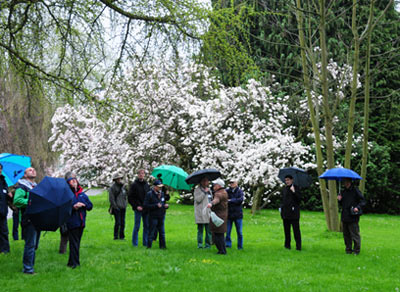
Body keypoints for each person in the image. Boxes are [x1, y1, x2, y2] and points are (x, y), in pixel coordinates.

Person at [13, 167, 39, 274]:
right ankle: (28, 269)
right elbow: (17, 200)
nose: (33, 171)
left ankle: (30, 266)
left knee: (34, 245)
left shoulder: (36, 187)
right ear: (25, 175)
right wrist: (30, 201)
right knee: (30, 244)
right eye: (30, 170)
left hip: (38, 219)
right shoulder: (22, 187)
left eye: (34, 169)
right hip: (28, 219)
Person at [66, 175, 93, 268]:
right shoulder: (67, 195)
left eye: (75, 180)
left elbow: (90, 206)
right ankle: (75, 263)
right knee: (74, 243)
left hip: (81, 222)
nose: (74, 182)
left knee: (77, 242)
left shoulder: (82, 194)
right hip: (72, 222)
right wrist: (74, 207)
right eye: (71, 181)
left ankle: (71, 262)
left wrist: (83, 205)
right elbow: (65, 208)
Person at [337, 178, 366, 255]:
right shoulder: (343, 192)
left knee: (355, 234)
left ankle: (356, 250)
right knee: (346, 235)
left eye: (346, 182)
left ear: (349, 182)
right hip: (344, 215)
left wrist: (358, 207)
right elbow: (342, 204)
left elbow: (363, 201)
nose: (344, 183)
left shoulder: (355, 190)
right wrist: (339, 200)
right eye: (343, 182)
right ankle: (348, 250)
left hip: (353, 216)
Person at [128, 169, 150, 247]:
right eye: (140, 173)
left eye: (143, 173)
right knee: (137, 226)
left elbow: (149, 196)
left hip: (146, 208)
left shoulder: (146, 184)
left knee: (146, 226)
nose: (141, 175)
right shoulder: (134, 185)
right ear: (137, 175)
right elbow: (130, 197)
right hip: (138, 208)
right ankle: (135, 243)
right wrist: (136, 206)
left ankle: (145, 242)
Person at [144, 179, 169, 249]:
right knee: (151, 232)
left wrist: (165, 206)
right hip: (153, 216)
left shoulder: (162, 194)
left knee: (162, 232)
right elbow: (146, 205)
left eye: (161, 186)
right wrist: (155, 205)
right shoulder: (149, 194)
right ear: (155, 187)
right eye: (159, 186)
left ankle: (163, 247)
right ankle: (149, 246)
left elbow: (162, 203)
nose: (160, 188)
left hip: (161, 215)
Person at [280, 175, 302, 251]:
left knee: (296, 231)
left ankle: (298, 246)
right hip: (285, 213)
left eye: (288, 180)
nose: (287, 181)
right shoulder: (284, 189)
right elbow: (282, 200)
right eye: (286, 180)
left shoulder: (296, 188)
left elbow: (299, 200)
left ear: (292, 180)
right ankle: (287, 245)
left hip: (294, 214)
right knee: (286, 230)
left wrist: (294, 192)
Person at [207, 178, 228, 255]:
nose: (213, 186)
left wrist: (211, 203)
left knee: (218, 234)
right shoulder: (224, 192)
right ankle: (222, 250)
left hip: (218, 216)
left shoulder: (219, 194)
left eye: (215, 185)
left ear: (218, 186)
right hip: (223, 215)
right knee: (220, 234)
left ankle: (221, 251)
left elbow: (217, 199)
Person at [194, 177, 212, 249]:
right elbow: (198, 199)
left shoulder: (209, 190)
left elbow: (211, 199)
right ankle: (200, 245)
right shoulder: (197, 190)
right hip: (200, 212)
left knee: (208, 230)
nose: (205, 183)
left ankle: (208, 244)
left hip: (208, 212)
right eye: (204, 181)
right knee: (200, 230)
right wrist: (204, 192)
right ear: (201, 182)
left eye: (207, 181)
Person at [225, 179, 244, 250]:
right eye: (230, 183)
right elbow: (225, 199)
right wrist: (234, 200)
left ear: (237, 183)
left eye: (233, 183)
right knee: (227, 231)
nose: (231, 184)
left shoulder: (240, 191)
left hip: (238, 214)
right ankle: (227, 244)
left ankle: (240, 246)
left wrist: (230, 201)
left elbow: (240, 200)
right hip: (229, 214)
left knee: (239, 232)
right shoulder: (227, 191)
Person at [108, 173, 127, 240]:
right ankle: (116, 236)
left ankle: (122, 236)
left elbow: (125, 196)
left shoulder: (123, 186)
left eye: (120, 178)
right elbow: (111, 198)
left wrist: (125, 204)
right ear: (115, 180)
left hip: (123, 207)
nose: (119, 180)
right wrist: (115, 206)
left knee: (123, 222)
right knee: (117, 222)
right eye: (118, 178)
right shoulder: (112, 188)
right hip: (117, 207)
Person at [0, 163, 11, 253]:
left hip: (3, 211)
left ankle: (5, 250)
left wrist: (8, 194)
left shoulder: (3, 181)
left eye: (0, 169)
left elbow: (5, 193)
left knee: (4, 231)